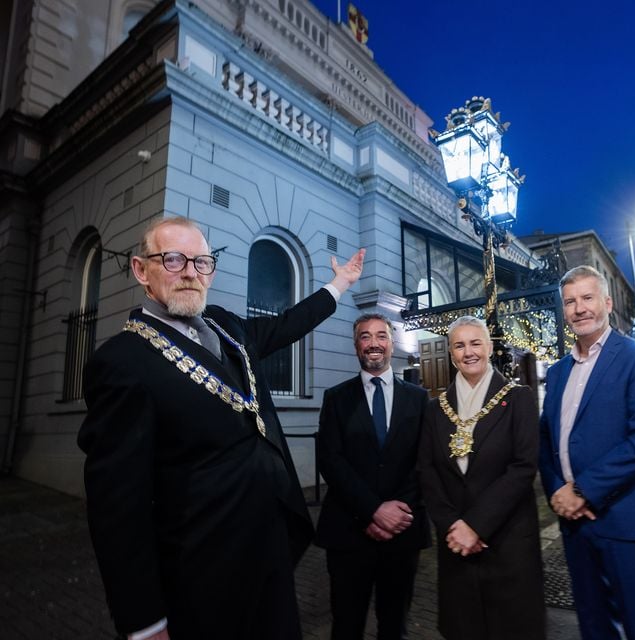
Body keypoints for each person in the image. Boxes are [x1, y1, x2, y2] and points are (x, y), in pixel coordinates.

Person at [77, 215, 365, 640]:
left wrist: (338, 285)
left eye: (202, 262)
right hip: (202, 572)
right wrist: (144, 621)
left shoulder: (226, 326)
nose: (191, 272)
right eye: (173, 260)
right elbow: (118, 507)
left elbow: (288, 324)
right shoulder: (123, 362)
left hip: (270, 549)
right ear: (142, 270)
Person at [539, 265, 635, 640]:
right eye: (570, 302)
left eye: (587, 298)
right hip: (576, 526)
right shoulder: (557, 371)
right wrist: (556, 492)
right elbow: (546, 440)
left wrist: (580, 490)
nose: (579, 308)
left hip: (627, 521)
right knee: (594, 627)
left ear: (607, 303)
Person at [418, 316, 545, 640]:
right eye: (459, 345)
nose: (468, 352)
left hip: (508, 543)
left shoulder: (519, 399)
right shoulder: (435, 409)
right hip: (456, 546)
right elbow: (428, 471)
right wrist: (452, 527)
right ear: (450, 353)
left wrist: (475, 525)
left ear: (489, 347)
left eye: (476, 343)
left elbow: (523, 468)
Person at [315, 313, 430, 640]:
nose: (374, 343)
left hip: (403, 531)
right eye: (365, 336)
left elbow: (424, 460)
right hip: (350, 530)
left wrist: (397, 513)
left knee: (395, 625)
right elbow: (331, 460)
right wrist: (372, 510)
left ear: (392, 343)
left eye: (381, 335)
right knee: (346, 624)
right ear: (356, 346)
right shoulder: (336, 398)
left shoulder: (418, 398)